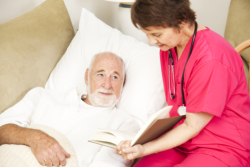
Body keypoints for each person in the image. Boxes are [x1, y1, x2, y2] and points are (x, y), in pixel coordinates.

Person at [114, 0, 250, 167]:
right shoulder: (169, 48)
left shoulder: (211, 59)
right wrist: (139, 142)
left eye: (156, 34)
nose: (151, 42)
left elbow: (192, 125)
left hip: (223, 146)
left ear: (181, 21)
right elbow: (177, 105)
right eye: (147, 34)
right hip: (182, 142)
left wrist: (144, 149)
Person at [0, 52, 140, 167]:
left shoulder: (124, 123)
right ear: (87, 76)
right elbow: (2, 129)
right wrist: (35, 138)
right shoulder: (43, 95)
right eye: (100, 74)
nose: (107, 84)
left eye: (115, 77)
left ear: (123, 82)